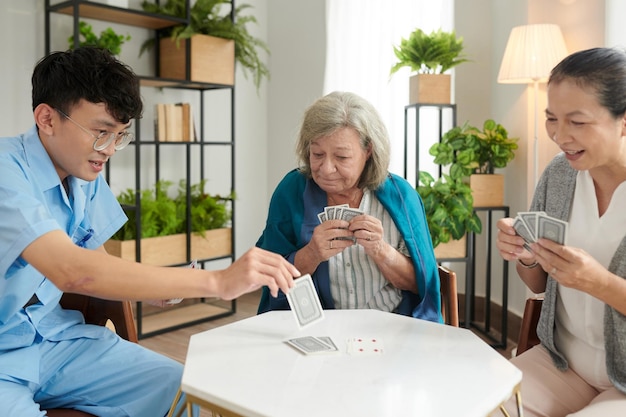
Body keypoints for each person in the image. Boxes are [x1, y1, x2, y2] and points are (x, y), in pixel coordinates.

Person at [0, 47, 299, 417]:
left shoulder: (83, 175)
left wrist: (159, 285)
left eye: (119, 135)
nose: (109, 150)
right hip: (3, 359)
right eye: (100, 132)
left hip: (56, 340)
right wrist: (219, 282)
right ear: (47, 118)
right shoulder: (6, 171)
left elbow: (93, 259)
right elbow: (72, 270)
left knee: (186, 394)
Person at [496, 47, 626, 416]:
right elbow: (538, 284)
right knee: (478, 405)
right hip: (563, 363)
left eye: (578, 121)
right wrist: (524, 253)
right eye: (552, 118)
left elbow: (593, 283)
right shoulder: (560, 174)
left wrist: (597, 282)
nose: (559, 135)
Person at [256, 91, 441, 322]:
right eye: (317, 154)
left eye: (342, 157)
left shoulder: (401, 196)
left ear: (368, 151)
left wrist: (381, 251)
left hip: (392, 326)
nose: (326, 168)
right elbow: (267, 277)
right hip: (318, 327)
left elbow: (421, 285)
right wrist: (311, 254)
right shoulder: (291, 192)